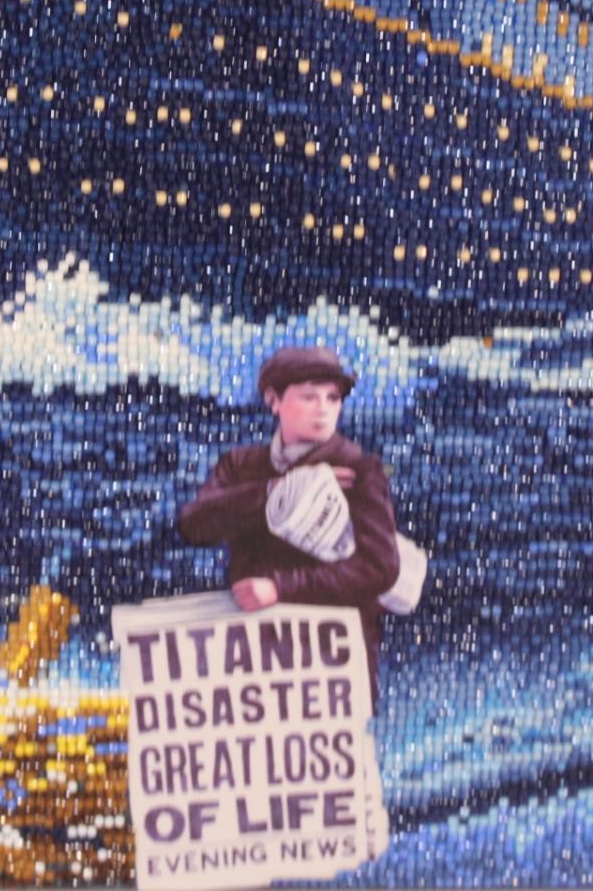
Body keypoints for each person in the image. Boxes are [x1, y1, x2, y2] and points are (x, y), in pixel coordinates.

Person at [176, 345, 416, 860]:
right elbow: (195, 524)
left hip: (331, 654)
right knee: (256, 772)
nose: (324, 409)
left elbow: (379, 568)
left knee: (341, 782)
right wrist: (274, 492)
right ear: (274, 400)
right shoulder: (242, 466)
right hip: (255, 654)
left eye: (333, 398)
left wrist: (281, 588)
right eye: (309, 397)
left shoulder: (358, 468)